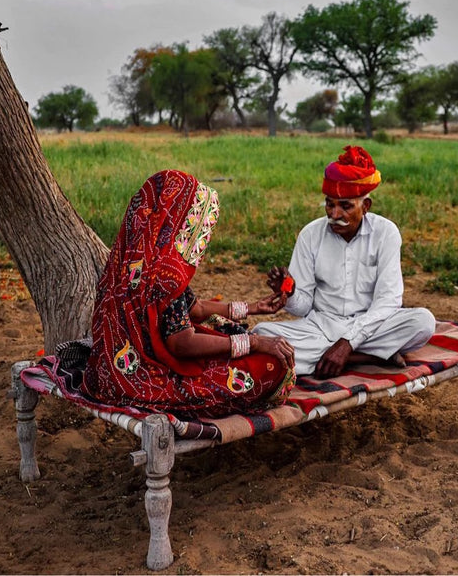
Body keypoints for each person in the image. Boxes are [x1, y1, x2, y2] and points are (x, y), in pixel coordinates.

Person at [80, 170, 296, 418]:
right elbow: (182, 343)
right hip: (149, 379)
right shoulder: (165, 275)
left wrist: (252, 307)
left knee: (222, 326)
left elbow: (195, 309)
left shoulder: (139, 254)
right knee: (271, 366)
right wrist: (254, 342)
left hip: (113, 370)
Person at [254, 145, 436, 379]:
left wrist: (347, 344)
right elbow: (302, 308)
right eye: (330, 204)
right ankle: (370, 357)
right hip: (321, 327)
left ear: (366, 206)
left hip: (371, 326)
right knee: (262, 334)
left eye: (345, 206)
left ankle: (343, 358)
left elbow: (388, 301)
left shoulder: (386, 233)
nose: (335, 214)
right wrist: (288, 292)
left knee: (422, 322)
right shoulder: (311, 234)